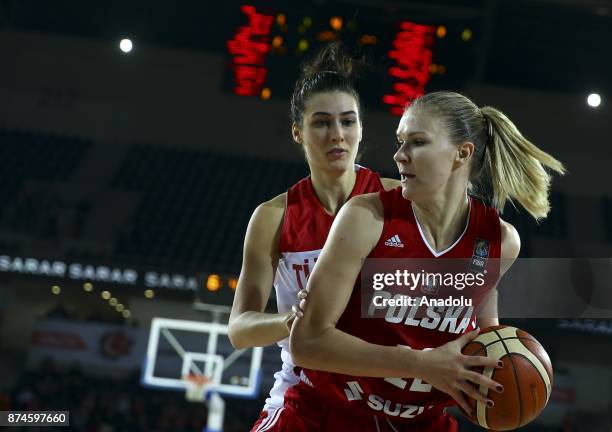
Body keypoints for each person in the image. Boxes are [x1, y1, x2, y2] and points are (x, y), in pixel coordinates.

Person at [289, 91, 566, 431]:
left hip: (422, 423)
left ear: (461, 154)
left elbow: (483, 346)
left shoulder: (498, 242)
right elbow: (306, 343)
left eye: (416, 142)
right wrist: (422, 363)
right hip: (326, 414)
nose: (399, 156)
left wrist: (500, 387)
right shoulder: (366, 217)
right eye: (400, 142)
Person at [227, 43, 400, 431]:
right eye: (321, 122)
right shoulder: (273, 217)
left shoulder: (397, 201)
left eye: (348, 121)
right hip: (306, 390)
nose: (337, 134)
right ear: (297, 132)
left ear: (361, 128)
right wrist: (292, 321)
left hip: (383, 393)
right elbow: (239, 329)